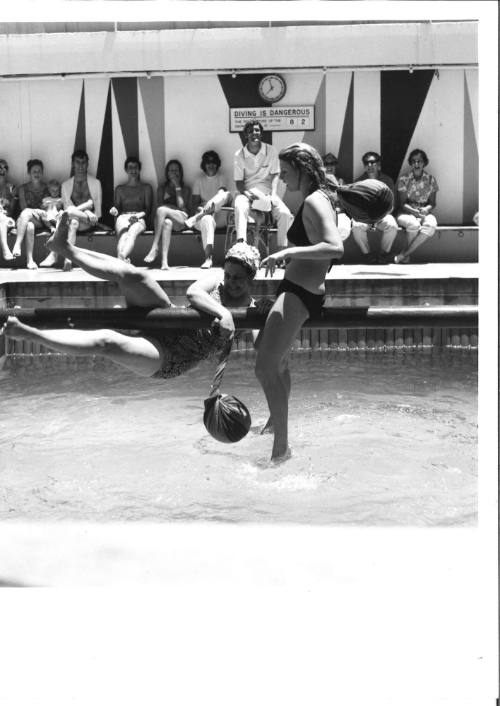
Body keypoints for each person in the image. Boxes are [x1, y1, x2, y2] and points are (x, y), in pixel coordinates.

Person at [2, 211, 270, 380]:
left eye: (238, 279)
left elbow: (262, 347)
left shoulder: (250, 308)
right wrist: (223, 312)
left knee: (107, 342)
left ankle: (28, 333)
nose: (231, 282)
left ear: (251, 279)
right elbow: (193, 292)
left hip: (168, 357)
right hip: (164, 317)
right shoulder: (217, 281)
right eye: (229, 275)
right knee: (133, 274)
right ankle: (65, 247)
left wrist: (268, 314)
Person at [255, 143, 394, 462]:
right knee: (278, 363)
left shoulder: (316, 201)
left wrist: (286, 252)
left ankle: (282, 447)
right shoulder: (319, 198)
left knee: (264, 367)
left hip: (299, 293)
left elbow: (334, 247)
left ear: (302, 169)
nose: (282, 176)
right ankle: (275, 427)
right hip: (297, 288)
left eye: (286, 170)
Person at [40, 149, 102, 271]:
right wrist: (86, 208)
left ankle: (54, 253)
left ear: (87, 164)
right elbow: (68, 209)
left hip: (90, 221)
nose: (80, 165)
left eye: (83, 162)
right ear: (73, 164)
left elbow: (98, 211)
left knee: (69, 213)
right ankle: (68, 260)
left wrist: (86, 211)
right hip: (76, 221)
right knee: (72, 222)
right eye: (77, 162)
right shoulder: (66, 185)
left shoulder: (95, 183)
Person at [233, 120, 293, 248]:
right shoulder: (239, 155)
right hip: (247, 193)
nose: (254, 133)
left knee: (285, 214)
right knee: (239, 205)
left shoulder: (271, 150)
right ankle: (241, 246)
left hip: (268, 193)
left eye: (256, 130)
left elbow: (275, 175)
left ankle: (281, 251)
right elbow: (238, 183)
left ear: (261, 133)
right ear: (246, 135)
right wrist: (248, 194)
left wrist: (274, 195)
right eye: (250, 131)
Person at [350, 151, 398, 264]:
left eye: (373, 162)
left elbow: (392, 205)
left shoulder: (387, 181)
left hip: (383, 215)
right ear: (364, 166)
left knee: (392, 226)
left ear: (379, 165)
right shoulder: (358, 182)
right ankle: (367, 254)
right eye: (367, 163)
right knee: (356, 226)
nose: (370, 165)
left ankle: (383, 254)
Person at [188, 150, 232, 269]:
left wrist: (209, 205)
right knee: (207, 218)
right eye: (208, 162)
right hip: (204, 219)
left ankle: (206, 210)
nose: (211, 165)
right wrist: (201, 209)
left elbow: (222, 194)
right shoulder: (199, 181)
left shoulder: (222, 177)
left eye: (213, 162)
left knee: (224, 195)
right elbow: (194, 204)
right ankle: (208, 258)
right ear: (204, 164)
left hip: (220, 216)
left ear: (217, 164)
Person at [144, 159, 191, 270]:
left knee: (161, 211)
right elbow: (161, 207)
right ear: (167, 173)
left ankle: (155, 246)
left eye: (176, 170)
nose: (174, 172)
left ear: (180, 172)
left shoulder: (185, 189)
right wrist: (169, 209)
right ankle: (164, 262)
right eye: (171, 170)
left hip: (182, 219)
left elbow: (181, 207)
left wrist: (177, 186)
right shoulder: (161, 189)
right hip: (168, 219)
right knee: (167, 222)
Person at [394, 148, 439, 264]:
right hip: (406, 212)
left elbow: (433, 203)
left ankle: (405, 254)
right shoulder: (404, 179)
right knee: (413, 224)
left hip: (423, 212)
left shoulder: (431, 180)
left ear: (424, 163)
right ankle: (406, 257)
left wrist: (426, 209)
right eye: (413, 161)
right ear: (410, 163)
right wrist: (415, 213)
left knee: (431, 225)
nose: (416, 164)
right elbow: (402, 203)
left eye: (419, 161)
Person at [109, 157, 153, 262]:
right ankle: (122, 258)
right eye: (130, 167)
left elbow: (148, 209)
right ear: (126, 170)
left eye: (135, 167)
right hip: (123, 216)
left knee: (132, 232)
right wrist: (114, 210)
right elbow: (117, 208)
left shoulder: (146, 188)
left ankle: (121, 258)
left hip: (139, 217)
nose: (133, 170)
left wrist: (138, 216)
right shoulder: (120, 189)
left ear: (139, 169)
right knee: (123, 234)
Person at [12, 159, 50, 269]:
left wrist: (40, 212)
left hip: (41, 220)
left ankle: (17, 244)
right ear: (29, 173)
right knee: (29, 226)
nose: (37, 174)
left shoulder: (47, 188)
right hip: (25, 219)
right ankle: (30, 260)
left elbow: (49, 208)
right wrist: (37, 210)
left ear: (42, 173)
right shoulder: (22, 188)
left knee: (27, 214)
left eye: (39, 171)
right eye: (34, 171)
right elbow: (24, 208)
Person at [322, 152, 351, 242]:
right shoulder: (318, 182)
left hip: (340, 214)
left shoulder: (341, 182)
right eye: (326, 164)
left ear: (336, 166)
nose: (329, 167)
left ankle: (336, 252)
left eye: (332, 164)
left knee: (343, 229)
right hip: (323, 215)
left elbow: (346, 203)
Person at [0, 158, 18, 263]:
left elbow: (11, 211)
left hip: (6, 219)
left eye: (5, 167)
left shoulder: (11, 187)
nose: (2, 170)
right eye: (0, 167)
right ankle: (6, 250)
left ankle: (6, 250)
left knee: (2, 219)